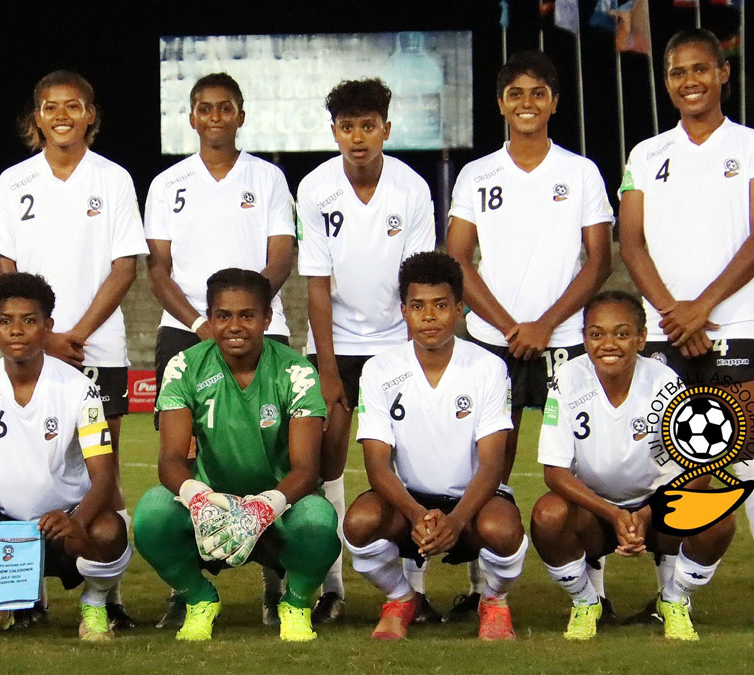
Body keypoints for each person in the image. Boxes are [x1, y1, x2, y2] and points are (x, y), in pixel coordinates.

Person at [618, 28, 754, 630]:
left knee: (752, 455)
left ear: (723, 74)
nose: (689, 81)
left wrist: (702, 309)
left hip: (737, 321)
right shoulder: (646, 155)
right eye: (677, 72)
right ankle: (673, 596)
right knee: (670, 465)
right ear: (666, 81)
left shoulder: (753, 147)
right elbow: (631, 243)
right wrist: (676, 313)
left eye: (700, 69)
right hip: (662, 327)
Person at [445, 51, 613, 620]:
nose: (526, 103)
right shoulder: (477, 175)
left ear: (554, 102)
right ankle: (484, 588)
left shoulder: (581, 172)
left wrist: (544, 324)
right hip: (493, 341)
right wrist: (508, 325)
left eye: (538, 92)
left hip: (564, 340)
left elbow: (598, 260)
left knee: (582, 465)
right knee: (487, 464)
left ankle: (594, 591)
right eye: (515, 93)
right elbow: (458, 259)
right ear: (500, 103)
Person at [0, 70, 145, 629]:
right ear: (37, 117)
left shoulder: (114, 178)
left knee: (105, 468)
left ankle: (108, 594)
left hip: (97, 349)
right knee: (28, 468)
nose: (62, 115)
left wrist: (73, 334)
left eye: (73, 105)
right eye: (51, 106)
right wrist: (42, 336)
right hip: (32, 345)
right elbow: (5, 265)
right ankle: (25, 594)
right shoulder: (13, 181)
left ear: (90, 114)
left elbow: (125, 267)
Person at [144, 73, 297, 627]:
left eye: (225, 107)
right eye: (205, 108)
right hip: (185, 330)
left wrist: (241, 317)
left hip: (258, 327)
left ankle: (276, 577)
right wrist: (200, 323)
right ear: (191, 117)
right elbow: (157, 268)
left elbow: (281, 255)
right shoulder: (167, 183)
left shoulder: (269, 177)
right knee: (184, 453)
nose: (215, 116)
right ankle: (186, 585)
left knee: (274, 451)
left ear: (240, 114)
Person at [0, 273, 131, 643]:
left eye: (29, 320)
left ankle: (95, 603)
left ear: (47, 327)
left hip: (63, 521)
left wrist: (77, 520)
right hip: (3, 523)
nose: (16, 330)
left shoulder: (79, 388)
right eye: (6, 321)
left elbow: (102, 475)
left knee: (109, 530)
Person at [133, 268, 339, 642]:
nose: (235, 326)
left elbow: (306, 469)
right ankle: (198, 599)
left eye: (247, 315)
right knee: (151, 515)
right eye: (223, 315)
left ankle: (295, 604)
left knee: (319, 521)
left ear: (267, 319)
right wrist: (199, 499)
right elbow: (171, 460)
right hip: (211, 506)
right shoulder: (184, 366)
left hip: (280, 507)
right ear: (210, 318)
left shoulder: (297, 371)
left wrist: (263, 508)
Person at [296, 78, 436, 623]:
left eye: (368, 126)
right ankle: (331, 587)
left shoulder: (412, 189)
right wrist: (328, 368)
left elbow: (418, 281)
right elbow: (316, 283)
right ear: (334, 132)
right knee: (325, 463)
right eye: (348, 127)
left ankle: (413, 589)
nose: (358, 137)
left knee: (409, 462)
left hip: (398, 343)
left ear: (386, 129)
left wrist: (413, 354)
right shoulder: (314, 188)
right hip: (336, 347)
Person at [531, 291, 736, 641]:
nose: (608, 344)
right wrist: (614, 515)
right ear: (584, 338)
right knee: (548, 516)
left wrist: (643, 514)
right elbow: (555, 472)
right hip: (595, 513)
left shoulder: (664, 382)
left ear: (641, 338)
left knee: (718, 518)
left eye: (622, 333)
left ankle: (674, 599)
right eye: (596, 334)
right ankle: (586, 601)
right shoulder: (567, 379)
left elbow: (700, 471)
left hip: (658, 514)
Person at [343, 252, 526, 641]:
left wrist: (456, 521)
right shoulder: (378, 369)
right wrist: (415, 514)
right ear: (404, 311)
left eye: (441, 305)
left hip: (473, 502)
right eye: (418, 306)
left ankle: (493, 601)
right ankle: (401, 598)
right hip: (407, 500)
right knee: (358, 523)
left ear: (459, 309)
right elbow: (377, 465)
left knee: (503, 529)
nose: (429, 316)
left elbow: (492, 464)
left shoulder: (488, 367)